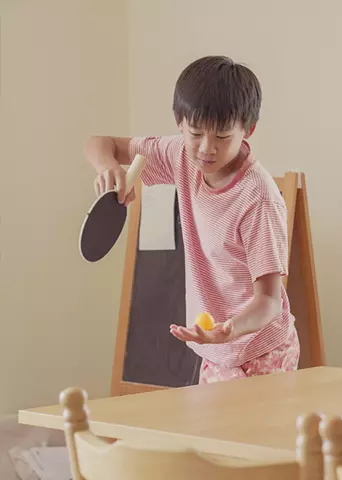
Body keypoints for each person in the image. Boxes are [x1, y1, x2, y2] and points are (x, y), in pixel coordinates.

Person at [84, 55, 300, 383]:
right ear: (179, 121)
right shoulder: (180, 154)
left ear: (248, 130)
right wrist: (108, 167)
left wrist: (231, 329)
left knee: (240, 434)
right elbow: (99, 143)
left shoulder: (259, 198)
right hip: (215, 348)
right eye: (196, 133)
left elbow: (269, 301)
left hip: (262, 351)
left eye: (223, 136)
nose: (206, 149)